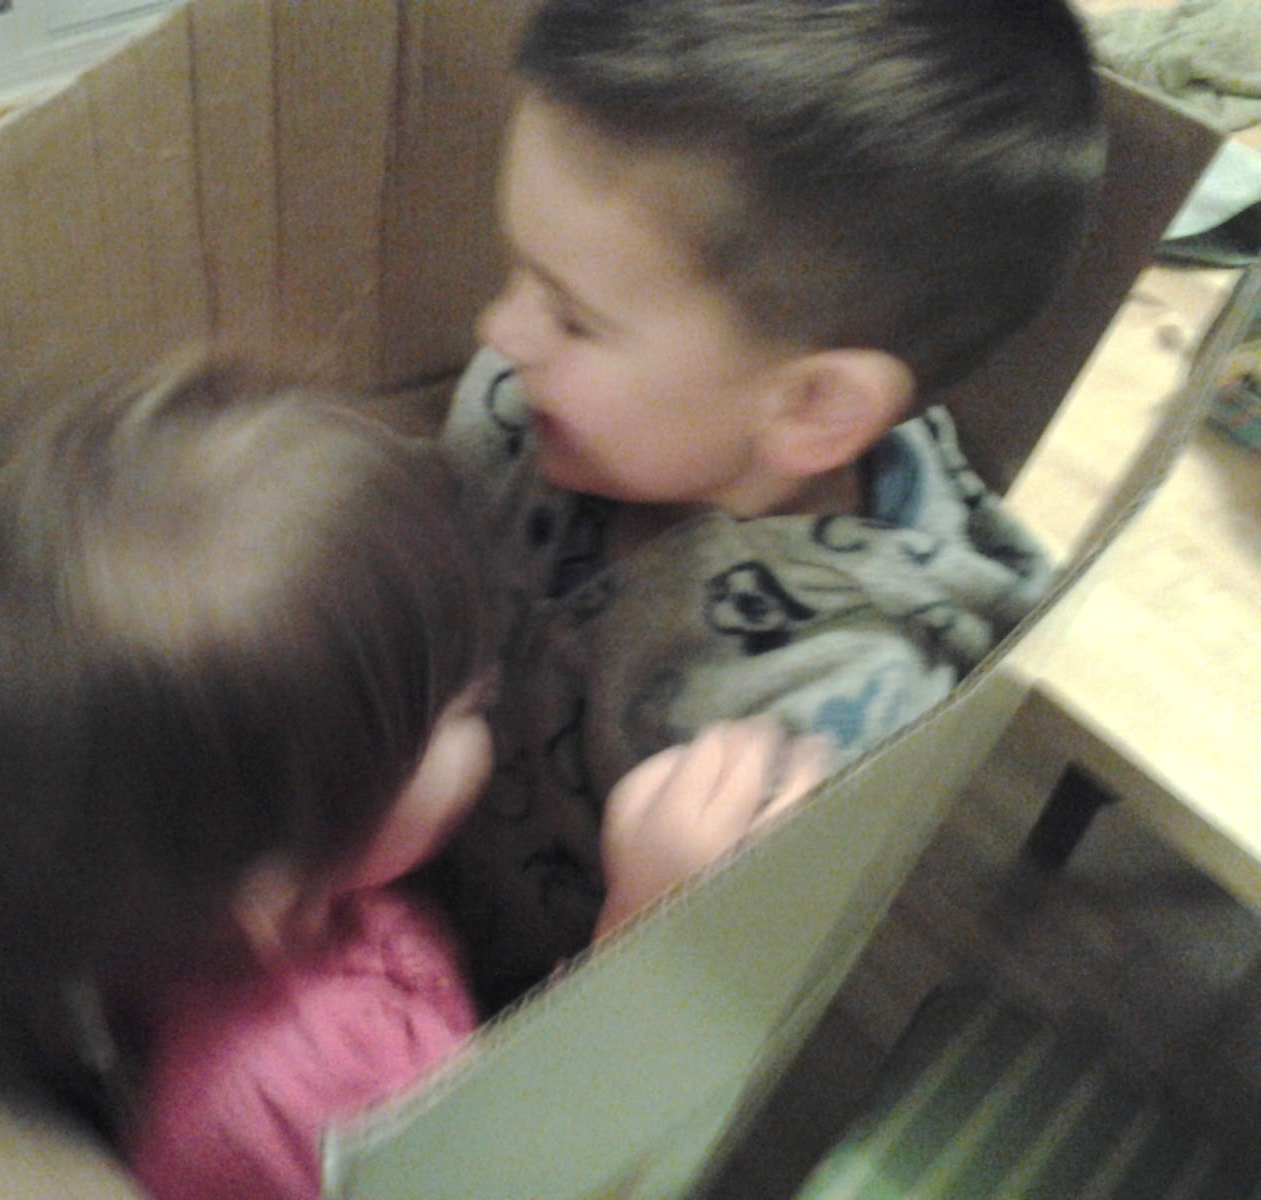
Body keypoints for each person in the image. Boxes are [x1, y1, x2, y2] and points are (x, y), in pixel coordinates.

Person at [0, 347, 824, 1200]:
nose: (487, 679)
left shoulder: (139, 887)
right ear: (273, 889)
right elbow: (540, 1175)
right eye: (451, 709)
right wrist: (641, 931)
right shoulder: (306, 1089)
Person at [435, 0, 1108, 1010]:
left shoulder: (825, 714)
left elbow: (676, 1031)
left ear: (812, 408)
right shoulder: (539, 404)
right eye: (514, 270)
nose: (501, 330)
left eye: (571, 316)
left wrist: (653, 916)